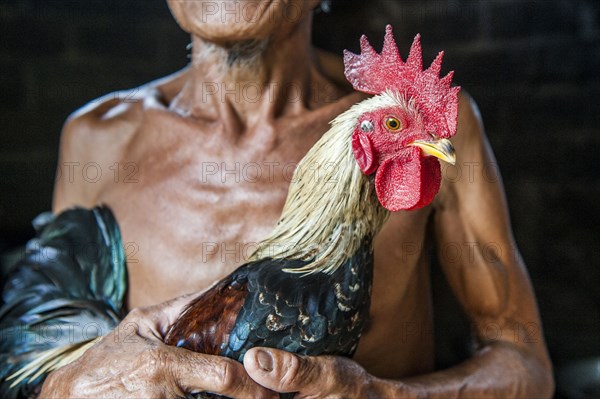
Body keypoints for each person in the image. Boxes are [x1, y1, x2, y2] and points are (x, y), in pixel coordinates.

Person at [34, 0, 553, 397]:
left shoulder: (418, 129)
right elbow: (59, 332)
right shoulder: (96, 139)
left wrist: (384, 394)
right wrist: (63, 384)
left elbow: (525, 363)